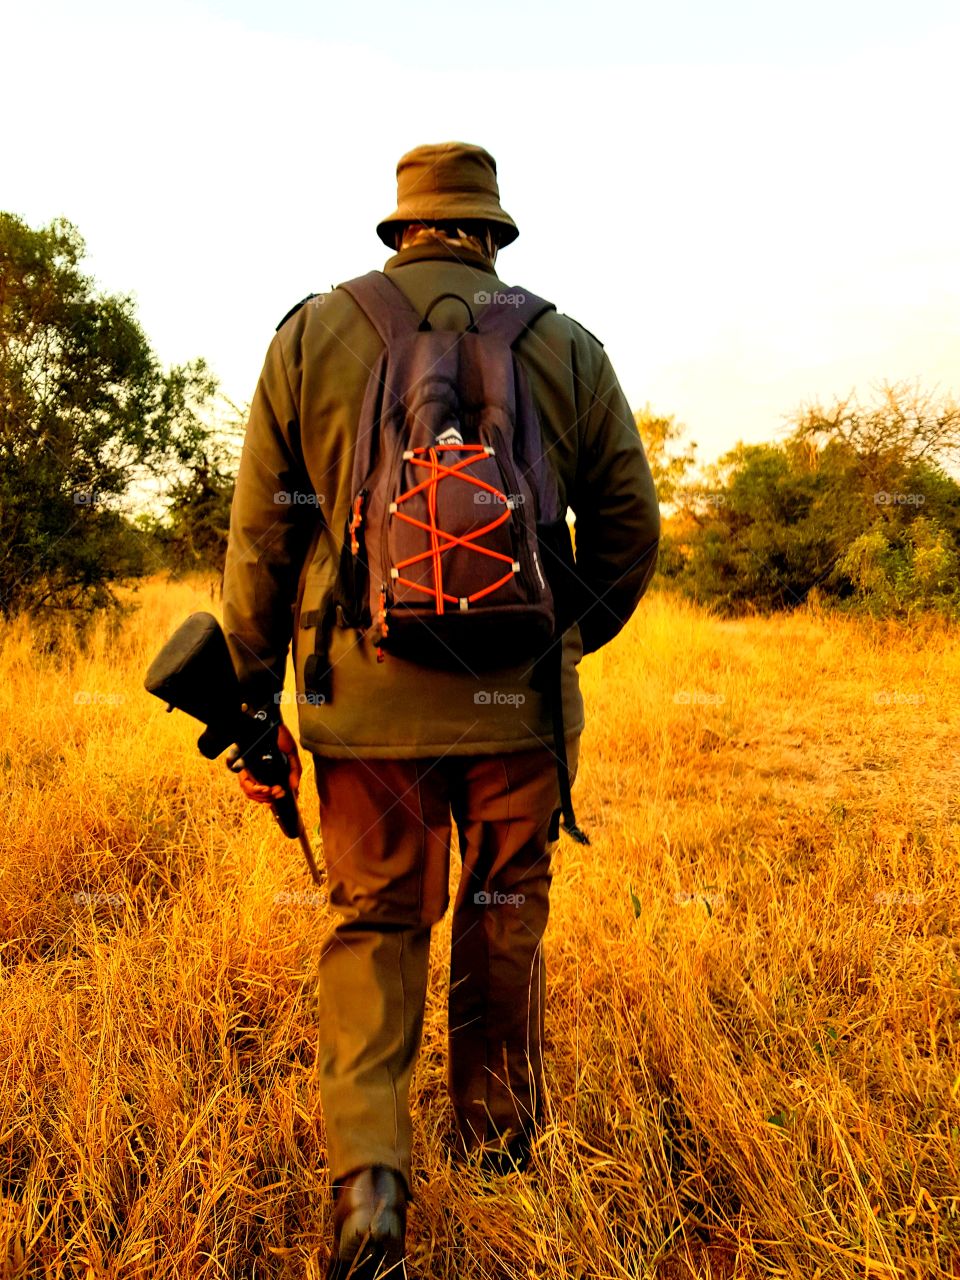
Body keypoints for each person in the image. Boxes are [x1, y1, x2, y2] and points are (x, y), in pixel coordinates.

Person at [221, 140, 660, 1279]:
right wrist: (555, 638)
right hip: (517, 711)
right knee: (504, 909)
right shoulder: (563, 340)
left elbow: (268, 535)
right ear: (493, 233)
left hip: (362, 714)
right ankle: (503, 1146)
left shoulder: (313, 334)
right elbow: (628, 533)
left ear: (401, 230)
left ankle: (370, 1181)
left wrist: (255, 694)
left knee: (375, 923)